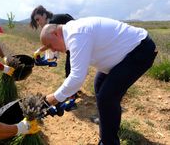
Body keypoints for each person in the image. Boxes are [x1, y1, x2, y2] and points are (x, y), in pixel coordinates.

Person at [40, 17, 158, 145]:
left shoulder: (77, 35)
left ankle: (109, 142)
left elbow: (77, 77)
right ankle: (107, 133)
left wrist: (53, 98)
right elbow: (60, 53)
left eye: (51, 46)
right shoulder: (70, 33)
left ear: (56, 33)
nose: (52, 50)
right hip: (124, 55)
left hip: (141, 50)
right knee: (100, 87)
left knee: (107, 96)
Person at [30, 5, 77, 110]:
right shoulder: (53, 20)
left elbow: (51, 44)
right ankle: (73, 90)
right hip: (72, 43)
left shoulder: (52, 23)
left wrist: (39, 52)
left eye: (38, 19)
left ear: (44, 14)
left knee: (70, 70)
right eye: (36, 21)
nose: (38, 23)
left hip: (76, 43)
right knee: (70, 69)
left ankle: (72, 100)